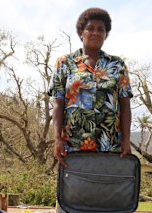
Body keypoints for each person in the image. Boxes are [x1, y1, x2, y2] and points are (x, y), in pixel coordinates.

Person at [49, 7, 133, 167]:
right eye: (90, 28)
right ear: (81, 32)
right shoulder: (64, 63)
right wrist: (57, 139)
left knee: (108, 189)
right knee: (75, 190)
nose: (95, 33)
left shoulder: (117, 65)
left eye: (101, 29)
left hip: (110, 145)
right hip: (73, 146)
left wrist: (126, 140)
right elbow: (58, 103)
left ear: (105, 35)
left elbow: (125, 104)